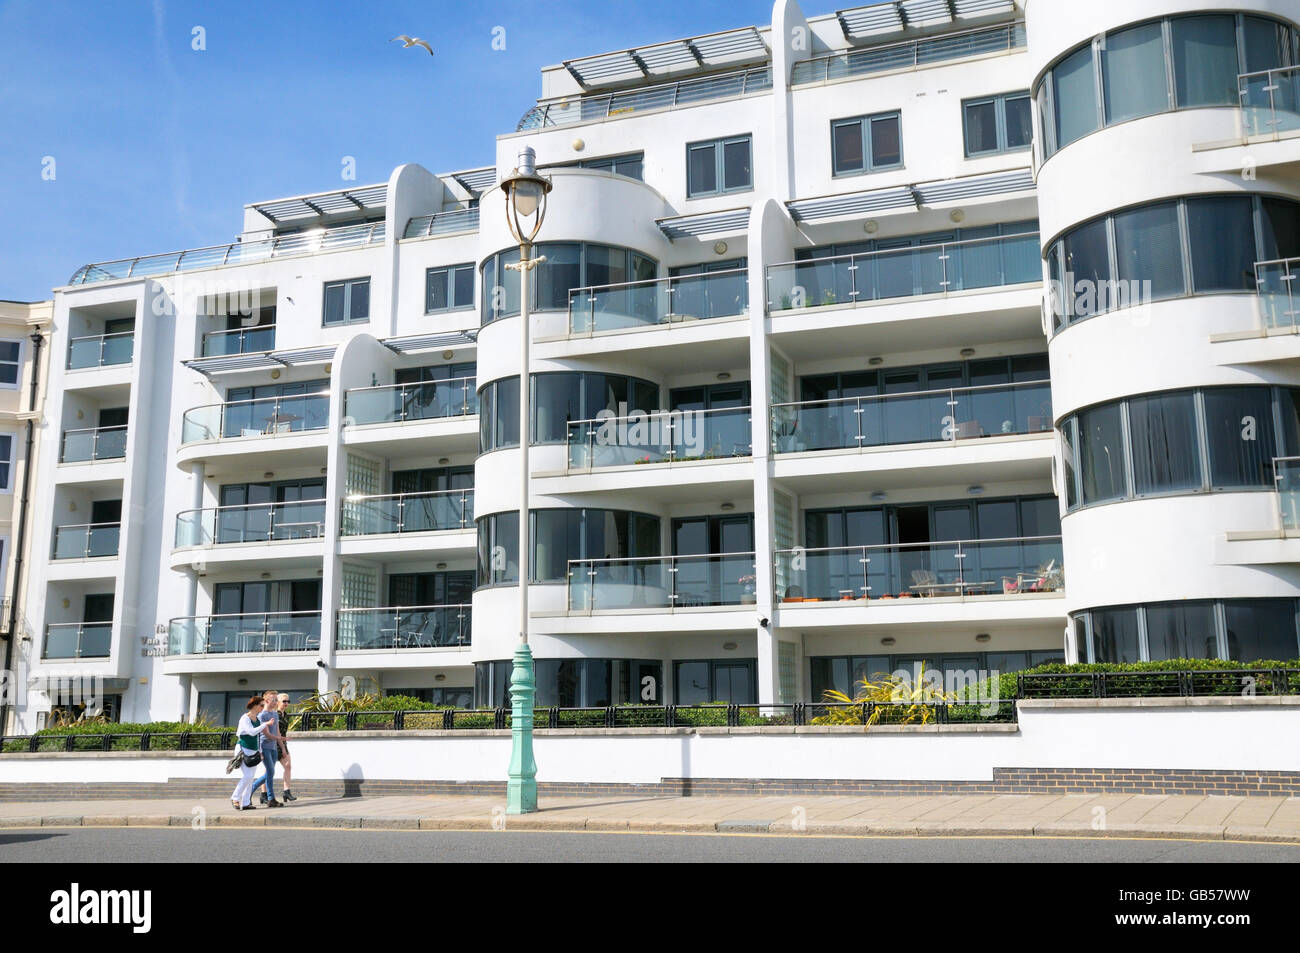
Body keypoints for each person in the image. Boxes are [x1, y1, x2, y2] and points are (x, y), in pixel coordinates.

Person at [231, 696, 273, 810]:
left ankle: (245, 803)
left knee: (251, 777)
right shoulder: (245, 718)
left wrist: (260, 751)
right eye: (261, 705)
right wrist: (266, 724)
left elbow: (258, 737)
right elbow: (252, 732)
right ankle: (235, 798)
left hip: (253, 751)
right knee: (248, 776)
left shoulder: (257, 719)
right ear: (255, 705)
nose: (263, 708)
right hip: (243, 750)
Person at [249, 690, 285, 807]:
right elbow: (266, 734)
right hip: (265, 747)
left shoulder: (275, 714)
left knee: (270, 773)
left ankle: (249, 791)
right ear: (266, 700)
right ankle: (271, 799)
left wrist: (283, 748)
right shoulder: (262, 715)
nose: (275, 702)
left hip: (274, 748)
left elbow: (278, 732)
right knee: (270, 772)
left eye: (276, 699)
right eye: (273, 699)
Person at [276, 692, 297, 801]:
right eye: (284, 701)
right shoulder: (275, 714)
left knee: (288, 766)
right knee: (268, 771)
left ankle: (286, 791)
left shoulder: (286, 715)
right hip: (274, 744)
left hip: (283, 743)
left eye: (288, 701)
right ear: (278, 701)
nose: (286, 703)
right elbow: (276, 732)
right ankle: (263, 794)